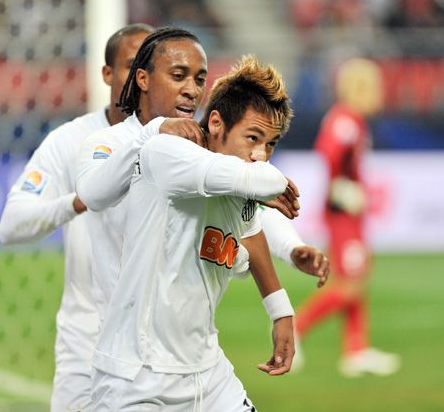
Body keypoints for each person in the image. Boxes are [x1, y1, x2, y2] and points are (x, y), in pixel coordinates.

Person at [88, 54, 297, 411]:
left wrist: (280, 311)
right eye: (253, 137)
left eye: (271, 143)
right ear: (216, 122)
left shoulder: (241, 182)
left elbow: (250, 231)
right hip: (138, 377)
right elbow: (259, 179)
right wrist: (268, 181)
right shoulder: (167, 153)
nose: (260, 155)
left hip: (208, 373)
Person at [0, 24, 155, 412]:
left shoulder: (180, 141)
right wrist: (76, 202)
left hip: (161, 349)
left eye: (151, 67)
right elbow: (11, 224)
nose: (141, 78)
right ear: (107, 74)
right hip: (87, 346)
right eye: (132, 65)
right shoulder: (70, 140)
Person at [293, 57, 401, 377]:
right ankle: (293, 328)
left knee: (358, 278)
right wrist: (342, 189)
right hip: (343, 216)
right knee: (350, 285)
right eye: (376, 87)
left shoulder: (352, 120)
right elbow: (329, 154)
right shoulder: (346, 121)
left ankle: (356, 350)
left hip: (350, 215)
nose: (381, 94)